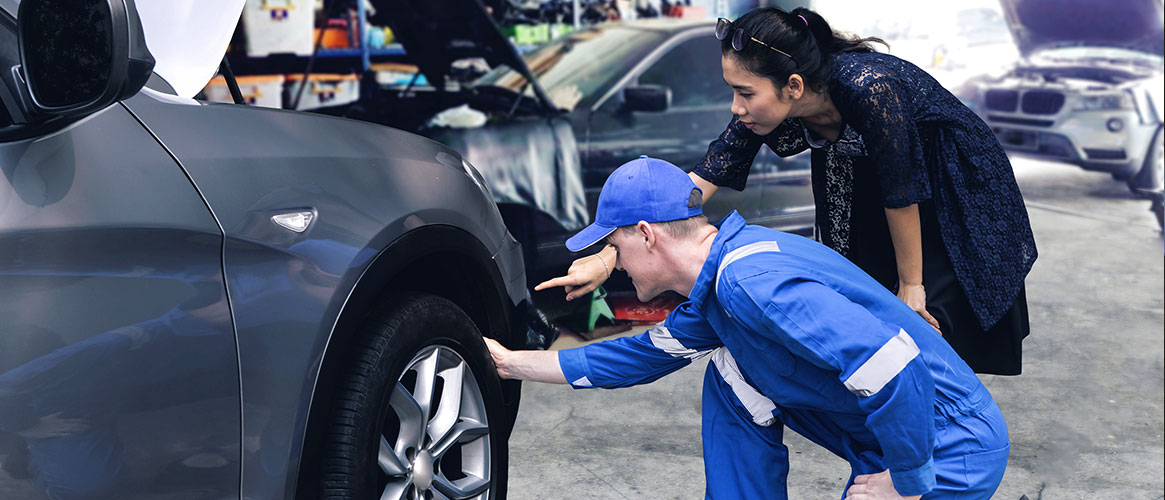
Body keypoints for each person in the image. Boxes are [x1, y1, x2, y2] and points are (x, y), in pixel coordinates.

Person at [541, 7, 1037, 375]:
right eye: (732, 91)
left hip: (946, 191)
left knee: (929, 319)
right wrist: (611, 255)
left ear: (794, 87)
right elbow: (693, 190)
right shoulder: (767, 106)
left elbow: (900, 189)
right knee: (867, 311)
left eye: (745, 93)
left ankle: (939, 447)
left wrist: (912, 286)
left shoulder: (869, 86)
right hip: (866, 186)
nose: (736, 106)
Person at [489, 155, 1010, 499]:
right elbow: (636, 358)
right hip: (887, 432)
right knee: (732, 371)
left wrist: (905, 481)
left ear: (646, 235)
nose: (616, 263)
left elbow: (894, 366)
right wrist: (508, 363)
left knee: (736, 365)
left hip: (948, 443)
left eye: (615, 246)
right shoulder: (718, 287)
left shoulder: (749, 282)